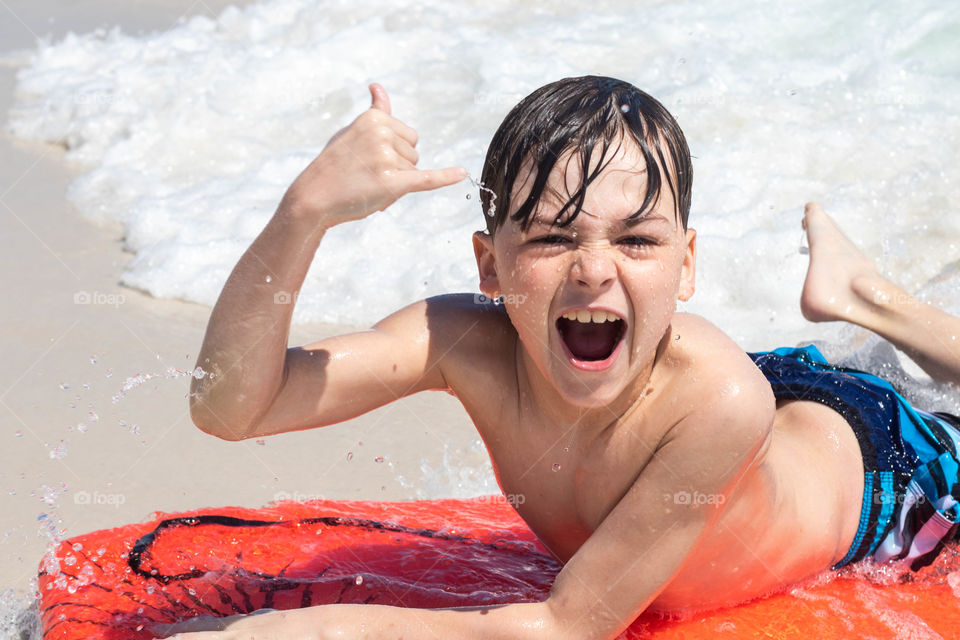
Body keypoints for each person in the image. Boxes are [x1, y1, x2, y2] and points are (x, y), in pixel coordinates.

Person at [161, 76, 960, 640]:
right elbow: (232, 407)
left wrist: (309, 633)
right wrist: (302, 217)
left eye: (637, 239)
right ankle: (857, 294)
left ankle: (869, 296)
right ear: (488, 265)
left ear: (686, 266)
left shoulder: (721, 405)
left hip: (887, 475)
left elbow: (564, 627)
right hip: (742, 399)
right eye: (550, 236)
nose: (593, 268)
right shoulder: (463, 342)